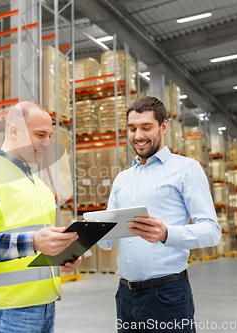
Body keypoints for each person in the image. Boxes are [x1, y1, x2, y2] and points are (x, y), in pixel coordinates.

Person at [0, 101, 81, 333]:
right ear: (14, 131)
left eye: (49, 135)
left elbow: (37, 240)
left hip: (44, 305)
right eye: (40, 134)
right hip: (4, 310)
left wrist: (62, 255)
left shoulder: (38, 183)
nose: (46, 143)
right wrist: (34, 242)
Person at [99, 96, 221, 333]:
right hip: (125, 296)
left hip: (166, 296)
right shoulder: (122, 178)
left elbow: (212, 231)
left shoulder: (186, 169)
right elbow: (107, 240)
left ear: (163, 126)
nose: (138, 135)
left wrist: (166, 234)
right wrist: (82, 237)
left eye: (146, 127)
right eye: (132, 128)